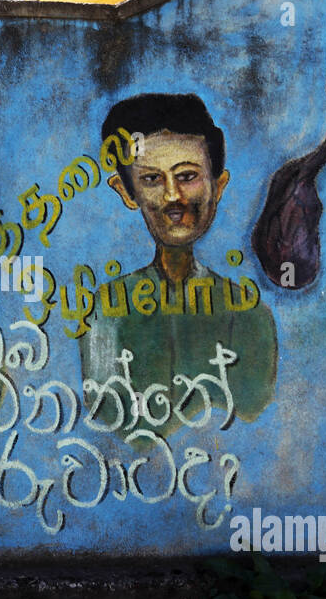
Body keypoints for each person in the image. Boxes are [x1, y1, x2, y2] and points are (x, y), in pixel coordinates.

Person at [79, 93, 278, 431]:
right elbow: (108, 420)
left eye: (187, 176)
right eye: (152, 179)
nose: (173, 197)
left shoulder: (248, 313)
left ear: (218, 185)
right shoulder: (106, 312)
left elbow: (252, 418)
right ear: (126, 192)